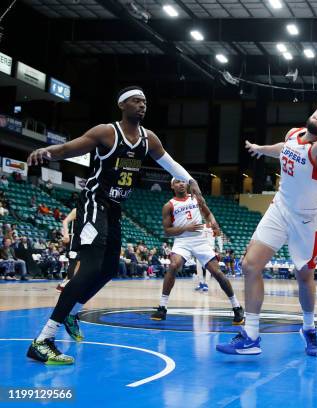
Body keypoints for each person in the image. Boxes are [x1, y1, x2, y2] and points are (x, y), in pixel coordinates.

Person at [25, 85, 211, 365]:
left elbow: (172, 166)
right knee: (87, 270)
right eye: (136, 101)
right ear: (122, 105)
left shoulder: (149, 139)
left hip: (114, 209)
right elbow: (68, 148)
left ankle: (73, 312)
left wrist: (194, 184)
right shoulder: (106, 132)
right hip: (93, 204)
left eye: (145, 101)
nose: (142, 105)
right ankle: (43, 339)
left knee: (109, 268)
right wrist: (47, 152)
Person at [216, 74, 317, 357]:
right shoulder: (294, 133)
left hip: (307, 220)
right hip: (280, 208)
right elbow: (284, 150)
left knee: (304, 277)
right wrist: (260, 149)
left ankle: (309, 327)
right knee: (250, 266)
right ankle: (251, 336)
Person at [150, 178, 243, 323]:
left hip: (200, 240)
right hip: (182, 241)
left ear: (186, 184)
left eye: (182, 181)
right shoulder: (168, 206)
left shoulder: (196, 198)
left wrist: (214, 223)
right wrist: (186, 228)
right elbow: (167, 231)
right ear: (172, 186)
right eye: (177, 182)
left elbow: (208, 214)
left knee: (217, 273)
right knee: (173, 265)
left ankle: (237, 307)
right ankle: (162, 307)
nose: (181, 184)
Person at [57, 208, 79, 292]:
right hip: (74, 239)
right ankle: (65, 284)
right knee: (74, 261)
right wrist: (66, 234)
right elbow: (65, 221)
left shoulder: (91, 212)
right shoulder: (77, 210)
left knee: (81, 262)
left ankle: (64, 284)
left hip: (83, 240)